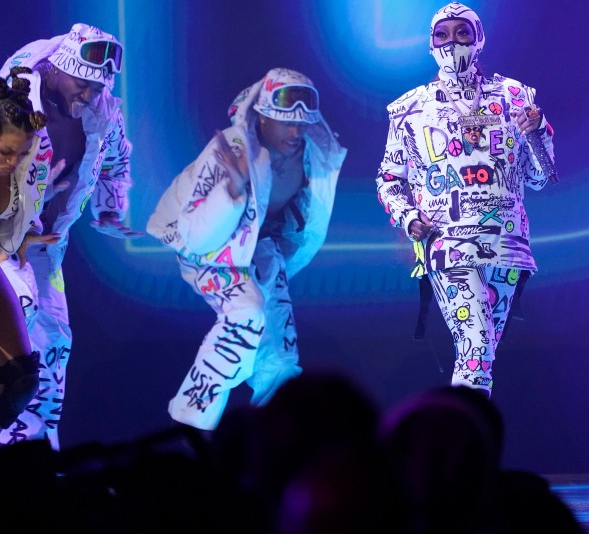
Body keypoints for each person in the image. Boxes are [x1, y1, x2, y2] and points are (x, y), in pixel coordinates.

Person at [147, 67, 346, 431]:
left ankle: (280, 435)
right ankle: (190, 425)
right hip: (210, 254)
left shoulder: (313, 155)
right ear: (263, 117)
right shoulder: (233, 148)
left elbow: (304, 222)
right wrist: (233, 191)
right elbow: (197, 237)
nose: (295, 131)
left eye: (301, 124)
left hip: (259, 251)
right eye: (285, 123)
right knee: (246, 314)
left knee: (281, 358)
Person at [375, 1, 556, 398]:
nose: (452, 41)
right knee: (476, 352)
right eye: (442, 34)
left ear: (480, 39)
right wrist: (408, 218)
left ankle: (458, 447)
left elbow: (540, 178)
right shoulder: (409, 109)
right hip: (448, 245)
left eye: (462, 32)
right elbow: (389, 178)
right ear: (430, 42)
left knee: (479, 356)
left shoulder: (514, 96)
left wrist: (538, 131)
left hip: (507, 246)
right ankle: (462, 450)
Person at [0, 23, 139, 448]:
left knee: (54, 338)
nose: (89, 95)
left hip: (46, 242)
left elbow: (115, 153)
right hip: (6, 239)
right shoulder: (14, 97)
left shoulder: (102, 109)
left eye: (98, 86)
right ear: (58, 70)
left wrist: (111, 204)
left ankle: (35, 442)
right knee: (17, 334)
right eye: (82, 84)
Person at [0, 68, 55, 429]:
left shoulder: (14, 175)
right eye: (6, 151)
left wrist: (22, 237)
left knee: (20, 382)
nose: (12, 161)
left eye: (20, 153)